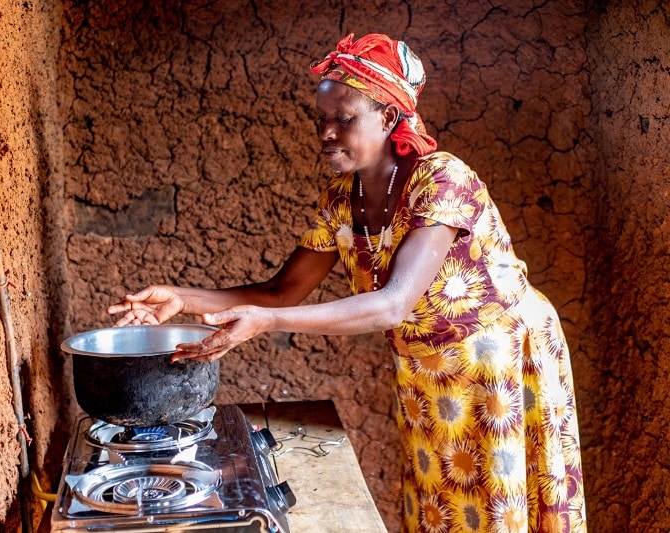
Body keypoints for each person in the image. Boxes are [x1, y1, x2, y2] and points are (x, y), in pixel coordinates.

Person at [108, 33, 586, 532]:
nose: (327, 133)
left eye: (344, 119)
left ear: (390, 117)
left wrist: (266, 323)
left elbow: (393, 304)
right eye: (323, 120)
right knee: (441, 510)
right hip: (426, 371)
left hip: (498, 361)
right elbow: (281, 292)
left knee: (495, 510)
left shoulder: (441, 180)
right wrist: (180, 298)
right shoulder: (343, 197)